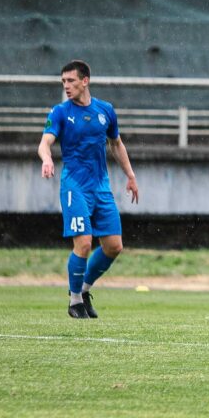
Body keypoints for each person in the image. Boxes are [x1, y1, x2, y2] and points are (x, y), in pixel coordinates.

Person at [37, 60, 139, 319]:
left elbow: (116, 144)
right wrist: (47, 159)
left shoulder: (105, 110)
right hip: (75, 186)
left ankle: (83, 290)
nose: (66, 86)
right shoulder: (60, 112)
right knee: (83, 243)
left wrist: (130, 175)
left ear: (85, 81)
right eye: (63, 82)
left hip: (101, 188)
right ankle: (73, 302)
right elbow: (45, 142)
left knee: (114, 246)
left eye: (70, 81)